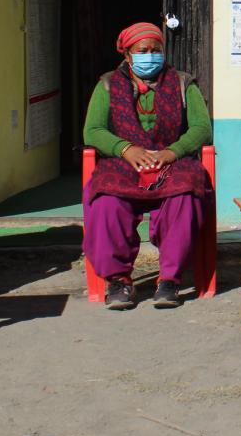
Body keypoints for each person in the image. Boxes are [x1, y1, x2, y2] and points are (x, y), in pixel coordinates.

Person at [83, 22, 213, 310]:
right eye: (143, 51)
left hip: (170, 161)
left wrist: (172, 151)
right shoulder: (107, 84)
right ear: (128, 54)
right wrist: (125, 149)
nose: (150, 56)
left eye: (156, 50)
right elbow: (92, 131)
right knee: (105, 199)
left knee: (186, 193)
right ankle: (118, 280)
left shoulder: (183, 83)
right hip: (124, 162)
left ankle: (169, 279)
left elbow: (202, 128)